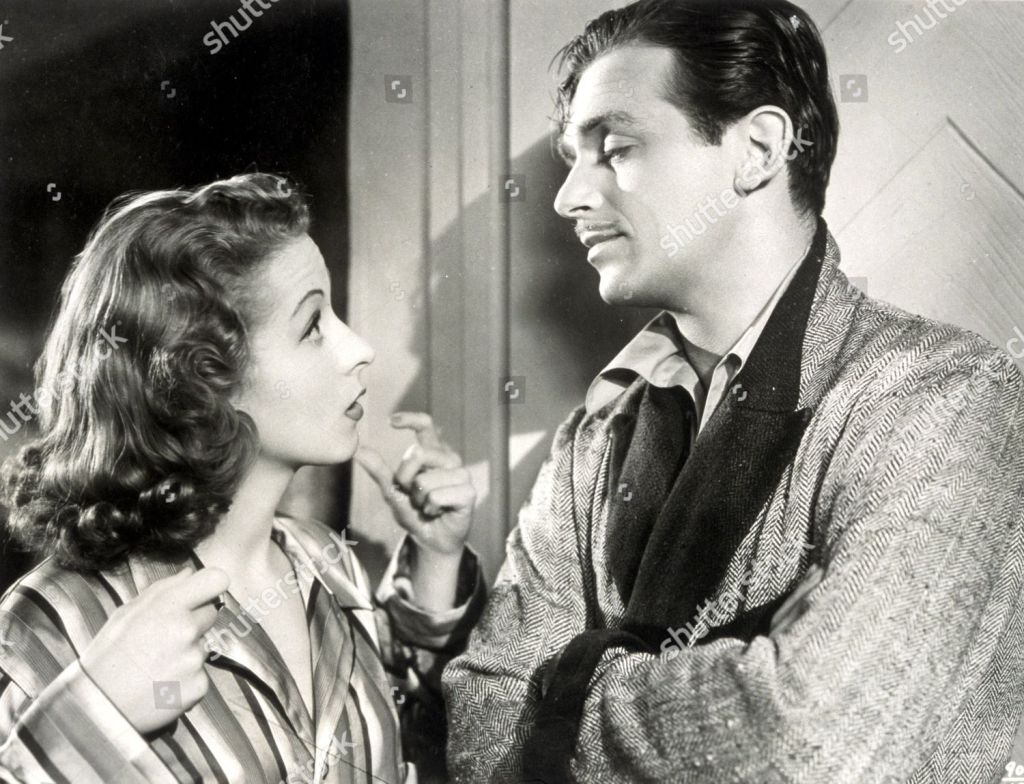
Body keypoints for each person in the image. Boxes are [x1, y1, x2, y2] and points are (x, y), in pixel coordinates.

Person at [442, 1, 1024, 781]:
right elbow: (483, 718)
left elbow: (807, 742)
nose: (568, 196)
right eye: (575, 159)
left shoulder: (948, 398)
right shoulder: (596, 432)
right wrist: (734, 676)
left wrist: (570, 681)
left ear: (757, 150)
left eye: (614, 149)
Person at [0, 173, 485, 784]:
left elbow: (410, 740)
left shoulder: (328, 563)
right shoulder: (48, 623)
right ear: (201, 376)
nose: (359, 348)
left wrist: (437, 560)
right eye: (313, 325)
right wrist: (93, 717)